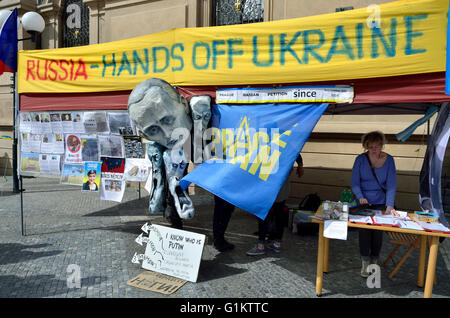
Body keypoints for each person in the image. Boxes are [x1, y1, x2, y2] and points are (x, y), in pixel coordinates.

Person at [351, 131, 398, 277]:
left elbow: (391, 184)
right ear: (366, 146)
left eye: (377, 146)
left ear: (382, 145)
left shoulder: (389, 160)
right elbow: (354, 182)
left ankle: (374, 260)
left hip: (380, 201)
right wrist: (360, 197)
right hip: (363, 202)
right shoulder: (360, 159)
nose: (374, 150)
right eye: (370, 147)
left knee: (377, 232)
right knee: (364, 231)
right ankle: (365, 262)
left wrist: (389, 205)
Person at [247, 154, 304, 256]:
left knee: (265, 213)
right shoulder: (286, 140)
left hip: (269, 181)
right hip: (282, 181)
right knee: (279, 213)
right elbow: (296, 150)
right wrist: (300, 165)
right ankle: (277, 244)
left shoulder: (270, 140)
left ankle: (261, 246)